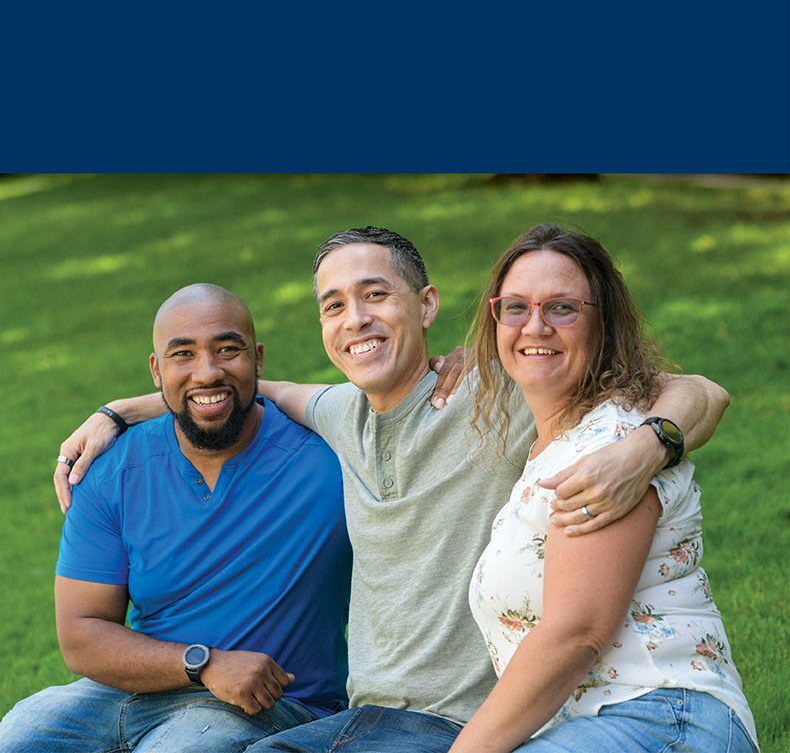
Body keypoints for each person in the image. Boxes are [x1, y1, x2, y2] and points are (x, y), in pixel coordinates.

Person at [52, 228, 730, 753]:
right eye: (335, 305)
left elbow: (702, 390)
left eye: (376, 295)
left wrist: (651, 442)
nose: (357, 319)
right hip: (359, 717)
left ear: (426, 304)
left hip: (453, 723)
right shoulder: (337, 414)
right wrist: (118, 411)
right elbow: (228, 386)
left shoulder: (502, 395)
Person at [0, 284, 352, 753]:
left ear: (259, 359)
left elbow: (399, 399)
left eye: (228, 350)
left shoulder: (330, 459)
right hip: (138, 692)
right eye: (182, 355)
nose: (207, 372)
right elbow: (81, 634)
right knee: (19, 734)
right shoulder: (112, 471)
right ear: (156, 369)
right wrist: (203, 664)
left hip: (276, 705)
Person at [446, 224, 758, 753]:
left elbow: (576, 635)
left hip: (664, 714)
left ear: (603, 323)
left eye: (562, 308)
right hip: (596, 724)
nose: (535, 326)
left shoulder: (613, 441)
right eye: (516, 307)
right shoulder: (561, 439)